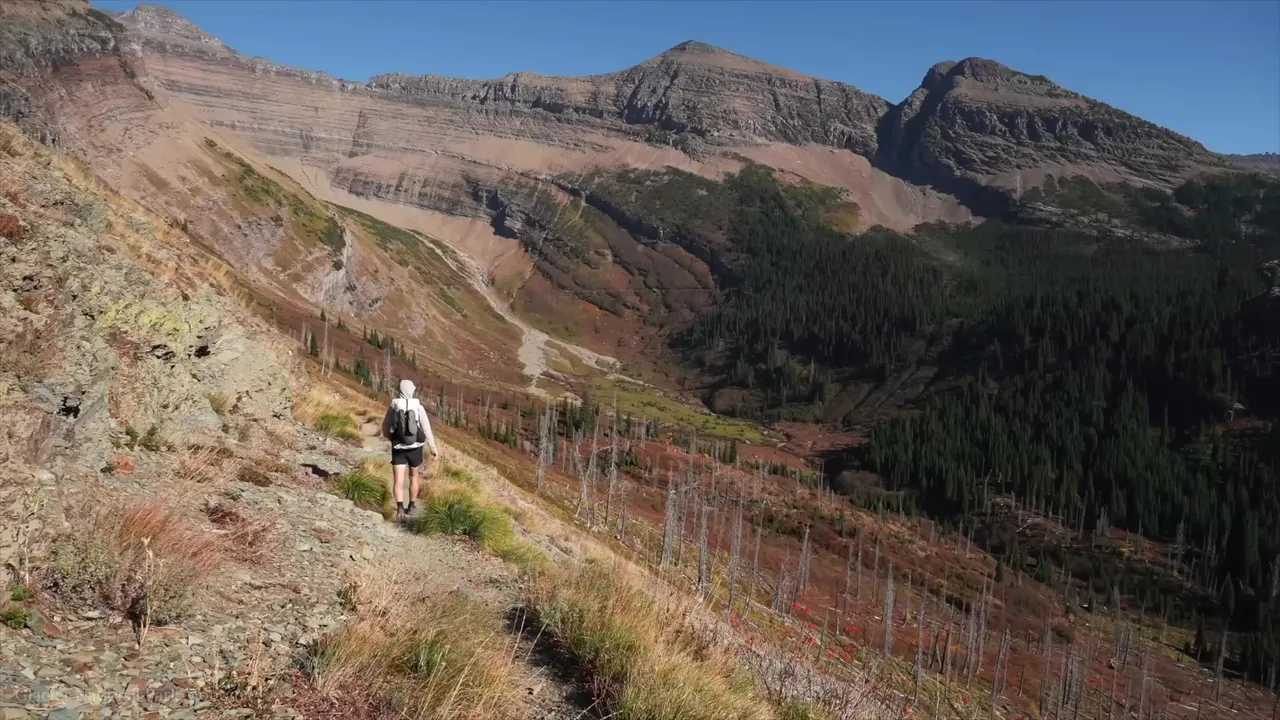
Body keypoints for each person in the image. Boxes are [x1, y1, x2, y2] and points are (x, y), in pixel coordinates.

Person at [382, 379, 438, 521]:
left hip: (398, 447)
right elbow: (426, 429)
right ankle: (412, 506)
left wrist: (391, 438)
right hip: (416, 447)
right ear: (412, 390)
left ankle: (400, 508)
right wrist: (433, 448)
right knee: (414, 477)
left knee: (398, 480)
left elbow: (385, 427)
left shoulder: (394, 405)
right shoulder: (418, 406)